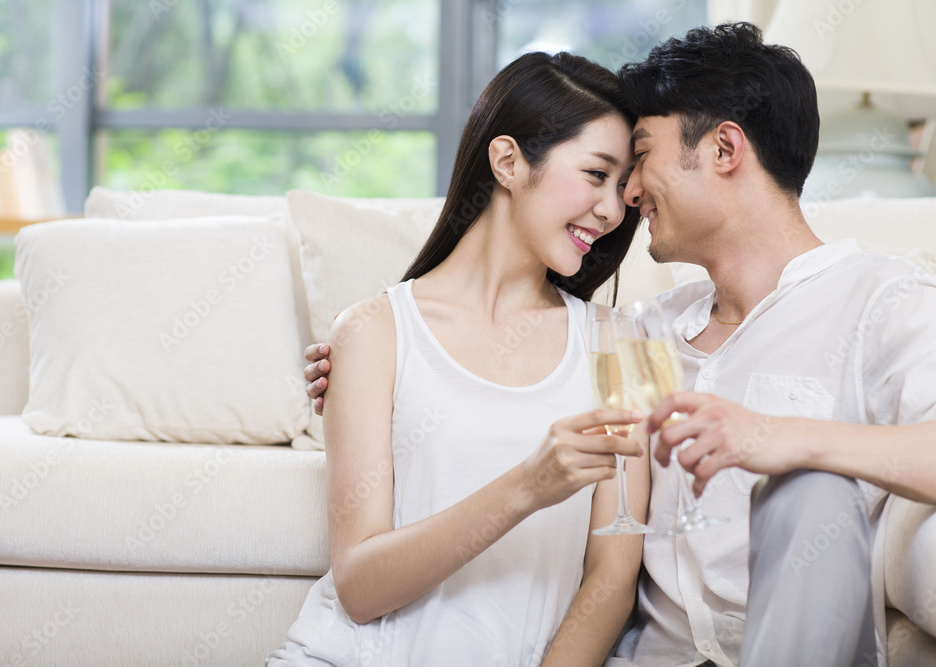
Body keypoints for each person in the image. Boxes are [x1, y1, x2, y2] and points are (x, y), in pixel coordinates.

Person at [306, 23, 936, 667]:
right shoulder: (642, 335)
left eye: (640, 158)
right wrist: (365, 357)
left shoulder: (881, 301)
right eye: (607, 174)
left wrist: (787, 438)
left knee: (812, 490)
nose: (627, 199)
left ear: (724, 149)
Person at [268, 51, 654, 667]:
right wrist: (529, 486)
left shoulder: (620, 345)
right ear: (506, 160)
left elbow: (612, 576)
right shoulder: (373, 332)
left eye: (622, 187)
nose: (612, 211)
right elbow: (361, 588)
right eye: (594, 174)